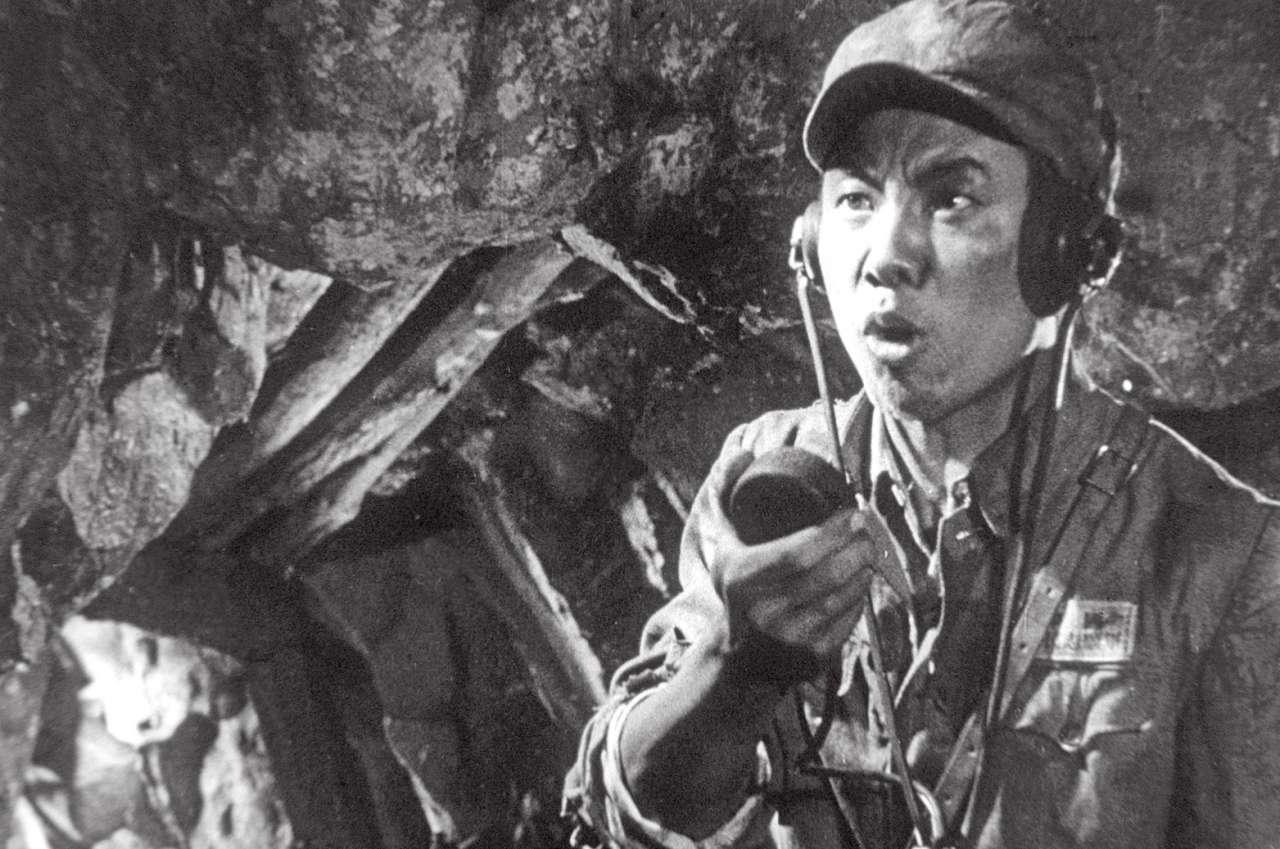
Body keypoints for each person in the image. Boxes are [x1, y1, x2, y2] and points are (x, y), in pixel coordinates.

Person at [562, 0, 1280, 846]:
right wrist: (733, 672)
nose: (885, 256)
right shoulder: (769, 469)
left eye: (951, 198)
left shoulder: (1219, 548)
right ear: (810, 245)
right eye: (856, 198)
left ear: (1065, 251)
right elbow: (624, 808)